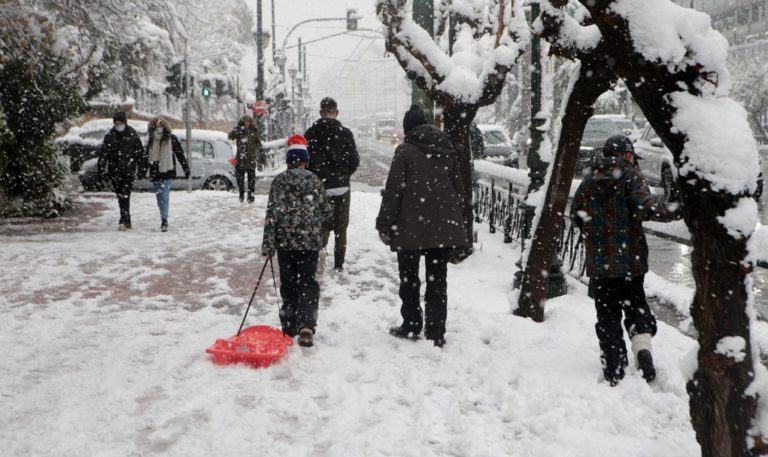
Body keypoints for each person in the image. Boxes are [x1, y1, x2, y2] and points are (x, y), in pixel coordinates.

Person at [571, 134, 682, 386]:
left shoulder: (588, 181)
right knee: (635, 308)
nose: (633, 160)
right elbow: (646, 208)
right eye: (631, 155)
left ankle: (614, 367)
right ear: (625, 155)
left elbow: (576, 215)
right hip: (630, 262)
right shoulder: (631, 176)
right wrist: (674, 211)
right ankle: (642, 349)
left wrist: (595, 231)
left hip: (600, 265)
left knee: (607, 315)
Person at [376, 105, 469, 348]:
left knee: (409, 278)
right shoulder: (446, 149)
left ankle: (412, 325)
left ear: (408, 129)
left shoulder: (405, 151)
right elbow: (459, 191)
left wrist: (384, 223)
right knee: (437, 280)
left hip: (410, 227)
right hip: (441, 228)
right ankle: (436, 330)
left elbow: (394, 192)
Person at [261, 134, 331, 348]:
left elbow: (271, 214)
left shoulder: (279, 182)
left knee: (289, 284)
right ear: (305, 160)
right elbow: (327, 213)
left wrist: (268, 244)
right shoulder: (315, 181)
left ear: (288, 161)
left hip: (285, 244)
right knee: (308, 283)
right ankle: (307, 325)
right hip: (309, 243)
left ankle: (289, 324)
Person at [305, 97, 359, 273]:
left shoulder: (311, 133)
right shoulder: (346, 133)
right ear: (336, 112)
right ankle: (339, 265)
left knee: (322, 224)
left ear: (321, 112)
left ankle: (320, 251)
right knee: (341, 227)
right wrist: (343, 175)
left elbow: (306, 162)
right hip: (342, 187)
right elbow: (354, 161)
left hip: (320, 187)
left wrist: (317, 177)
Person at [141, 117, 189, 232]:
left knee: (164, 195)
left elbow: (180, 154)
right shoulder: (152, 140)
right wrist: (142, 171)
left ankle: (164, 220)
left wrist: (185, 168)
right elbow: (146, 156)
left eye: (161, 126)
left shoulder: (171, 139)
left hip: (168, 171)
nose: (159, 129)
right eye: (157, 127)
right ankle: (163, 214)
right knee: (159, 196)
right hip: (155, 172)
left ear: (165, 127)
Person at [99, 111, 144, 231]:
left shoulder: (132, 134)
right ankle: (126, 217)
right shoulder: (110, 136)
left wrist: (141, 169)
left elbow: (140, 152)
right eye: (116, 123)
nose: (118, 125)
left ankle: (123, 219)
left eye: (120, 123)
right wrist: (102, 170)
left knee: (125, 193)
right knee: (120, 195)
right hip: (115, 170)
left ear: (125, 122)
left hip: (128, 169)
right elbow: (103, 154)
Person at [228, 115, 264, 203]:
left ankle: (251, 196)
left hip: (251, 160)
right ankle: (241, 195)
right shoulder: (239, 131)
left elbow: (259, 145)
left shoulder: (254, 132)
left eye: (248, 121)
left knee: (251, 180)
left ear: (251, 122)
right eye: (245, 121)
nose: (247, 123)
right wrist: (238, 128)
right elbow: (230, 136)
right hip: (240, 160)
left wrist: (262, 158)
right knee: (240, 180)